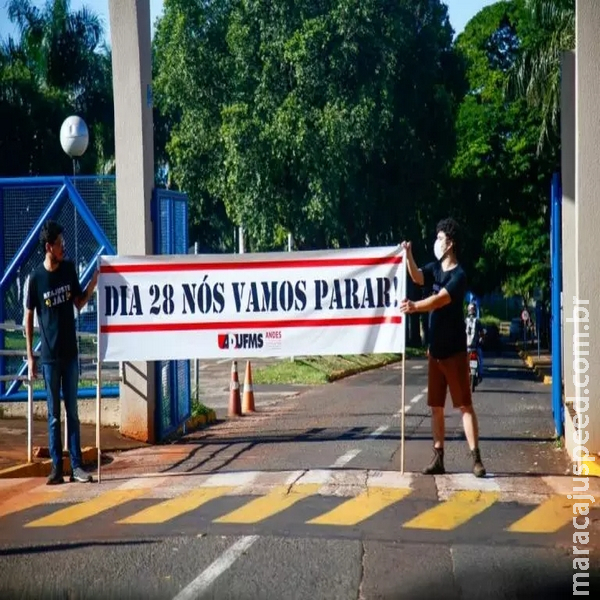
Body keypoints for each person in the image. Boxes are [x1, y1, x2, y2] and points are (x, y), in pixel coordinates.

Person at [399, 218, 485, 478]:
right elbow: (416, 276)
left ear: (451, 243)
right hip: (434, 352)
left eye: (440, 238)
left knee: (464, 406)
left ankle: (476, 459)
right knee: (436, 406)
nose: (437, 242)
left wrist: (414, 306)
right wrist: (407, 255)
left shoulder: (458, 276)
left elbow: (439, 300)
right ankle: (438, 457)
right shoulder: (434, 269)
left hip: (455, 352)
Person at [25, 220, 99, 485]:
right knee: (54, 415)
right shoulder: (36, 279)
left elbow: (79, 303)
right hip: (48, 358)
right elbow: (29, 316)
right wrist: (31, 356)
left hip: (70, 355)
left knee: (73, 412)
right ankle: (56, 468)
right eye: (59, 244)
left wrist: (93, 282)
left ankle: (76, 466)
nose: (63, 248)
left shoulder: (68, 270)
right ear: (48, 247)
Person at [465, 302, 484, 381]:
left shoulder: (465, 321)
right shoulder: (477, 321)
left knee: (463, 361)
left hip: (467, 347)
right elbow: (482, 332)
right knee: (481, 360)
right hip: (476, 346)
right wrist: (481, 338)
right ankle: (480, 374)